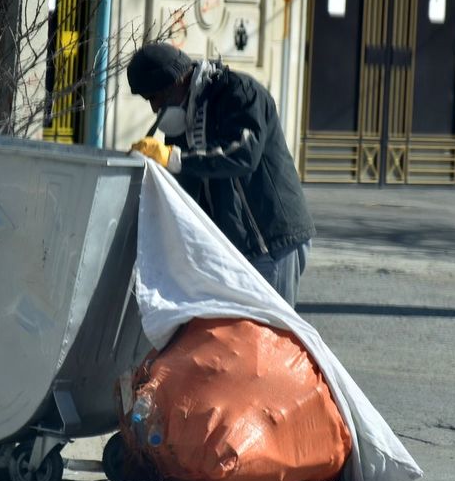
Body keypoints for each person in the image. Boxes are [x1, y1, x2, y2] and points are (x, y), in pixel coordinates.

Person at [127, 41, 315, 307]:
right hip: (233, 246)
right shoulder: (183, 120)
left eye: (154, 98)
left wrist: (173, 157)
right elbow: (188, 184)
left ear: (176, 81)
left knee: (270, 335)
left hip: (271, 239)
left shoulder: (239, 93)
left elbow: (242, 153)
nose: (154, 109)